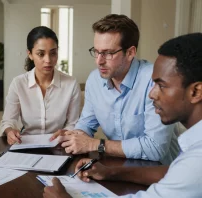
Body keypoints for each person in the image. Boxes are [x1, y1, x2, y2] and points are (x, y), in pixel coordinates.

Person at [44, 32, 202, 198]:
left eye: (161, 86)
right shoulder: (191, 155)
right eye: (96, 52)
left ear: (196, 91)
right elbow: (173, 173)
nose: (152, 94)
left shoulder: (196, 161)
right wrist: (111, 172)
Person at [52, 14, 179, 163]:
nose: (99, 61)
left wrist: (96, 145)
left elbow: (155, 148)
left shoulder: (154, 81)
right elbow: (87, 123)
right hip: (118, 167)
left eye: (108, 53)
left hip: (159, 172)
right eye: (97, 51)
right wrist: (74, 136)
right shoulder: (95, 80)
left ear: (130, 52)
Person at [0, 26, 81, 145]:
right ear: (30, 54)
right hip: (26, 145)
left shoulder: (71, 84)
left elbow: (73, 123)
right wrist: (10, 131)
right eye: (41, 54)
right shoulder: (18, 83)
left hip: (59, 145)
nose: (48, 60)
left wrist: (66, 132)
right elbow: (8, 120)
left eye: (53, 53)